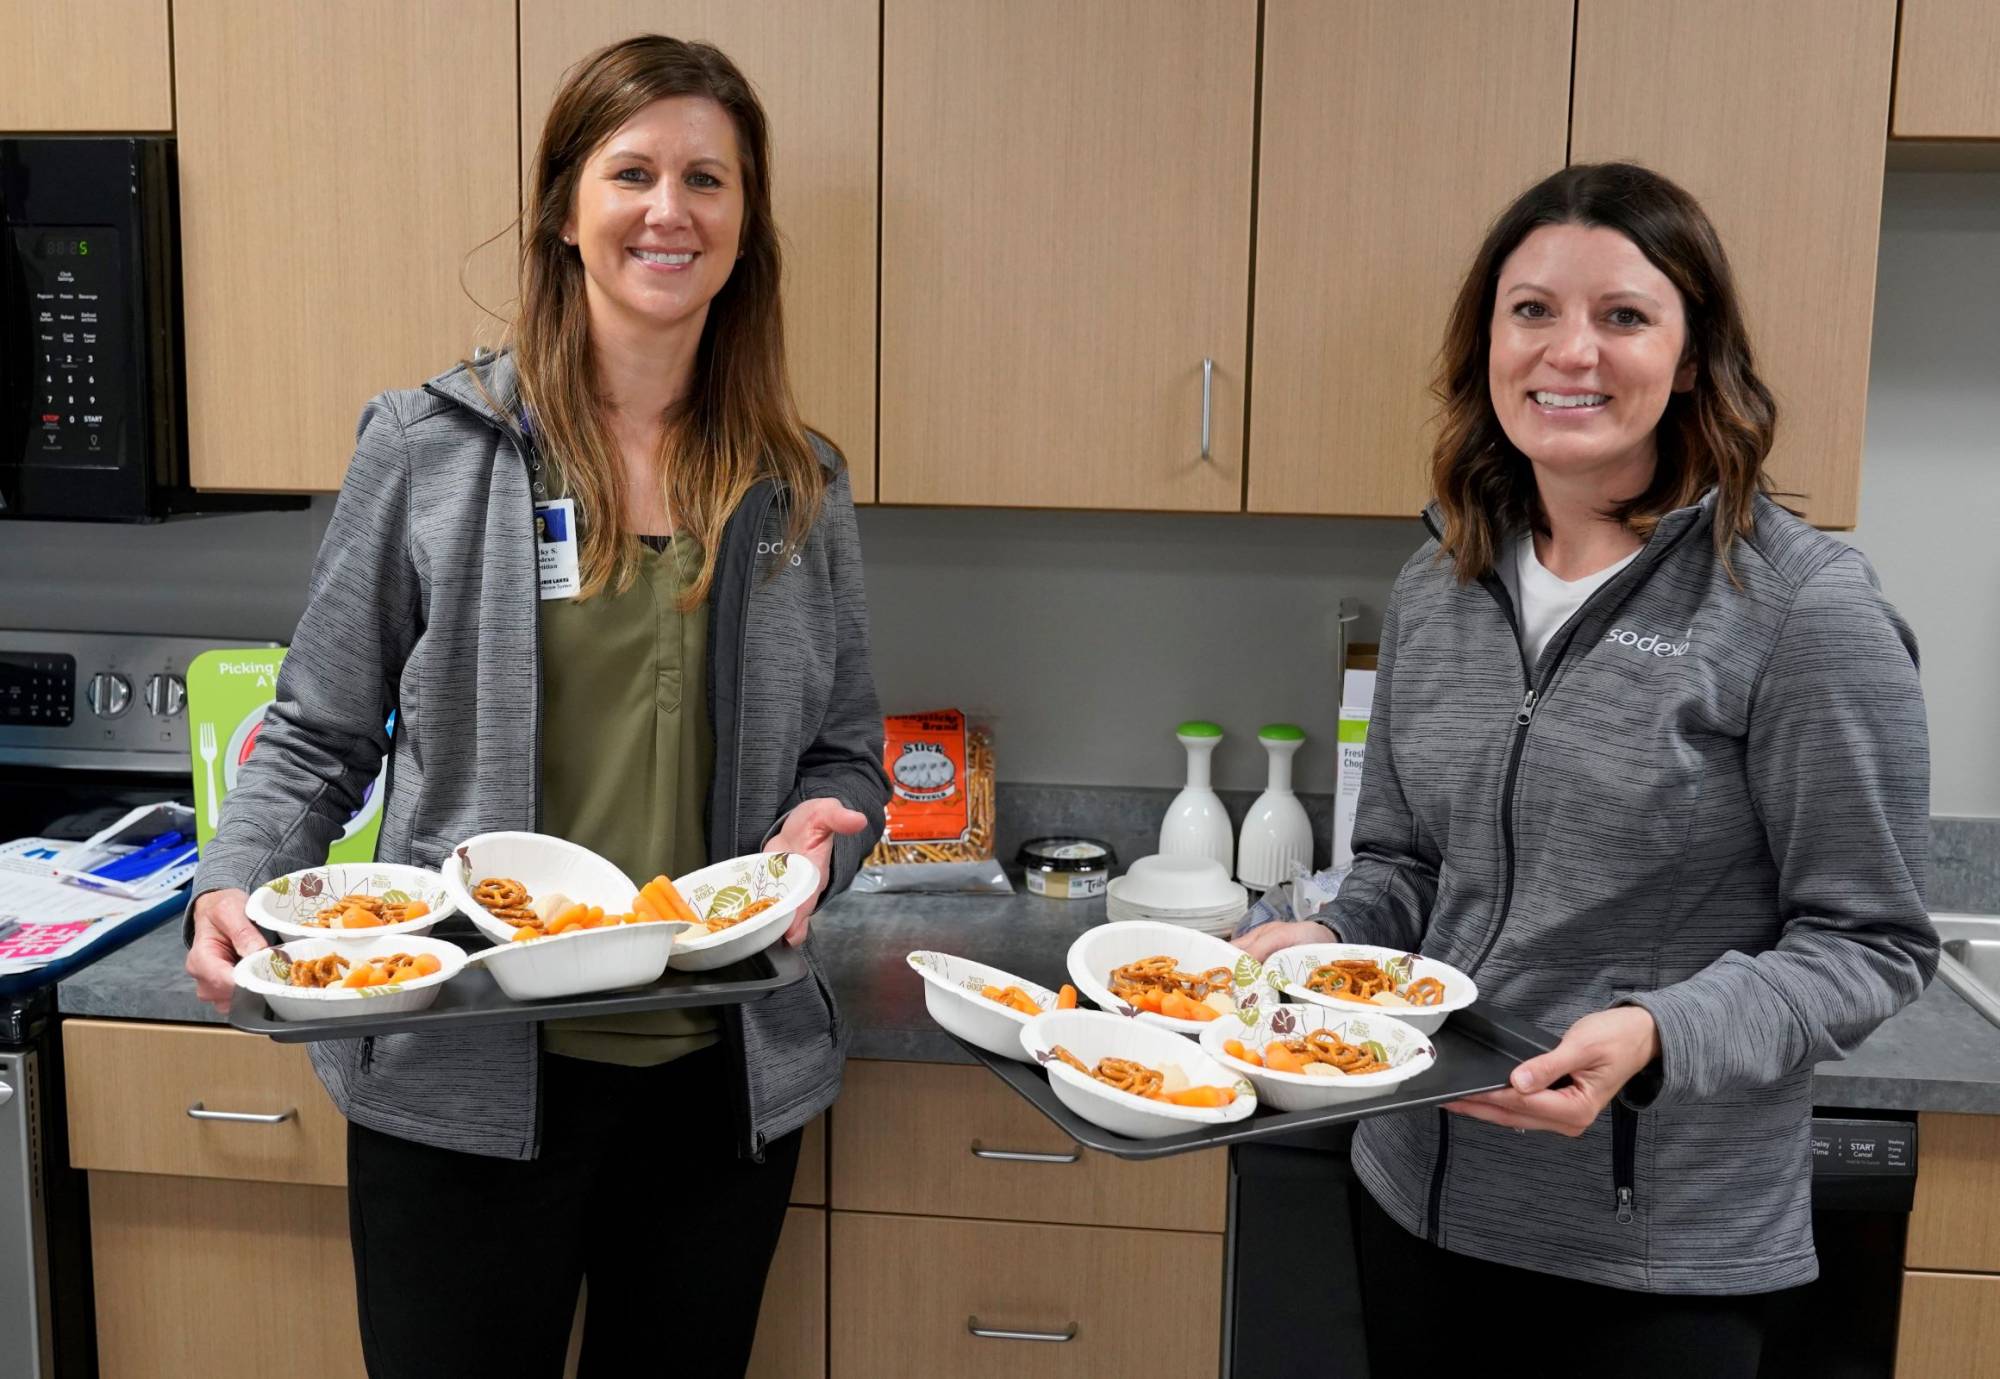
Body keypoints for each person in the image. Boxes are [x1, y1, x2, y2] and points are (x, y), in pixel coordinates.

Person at [182, 35, 889, 1379]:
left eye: (707, 178)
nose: (668, 209)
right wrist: (238, 872)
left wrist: (826, 839)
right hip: (466, 1065)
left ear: (747, 224)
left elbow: (846, 749)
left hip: (716, 1080)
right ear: (567, 210)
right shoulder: (430, 450)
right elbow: (321, 728)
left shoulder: (798, 485)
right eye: (633, 172)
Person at [1236, 162, 1933, 1378]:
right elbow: (1404, 861)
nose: (1570, 353)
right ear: (1485, 343)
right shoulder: (1437, 583)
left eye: (1621, 314)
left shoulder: (1797, 609)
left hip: (1647, 1246)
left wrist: (1656, 1032)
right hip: (1415, 1185)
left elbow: (1869, 940)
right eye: (1531, 311)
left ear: (1690, 350)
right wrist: (1330, 936)